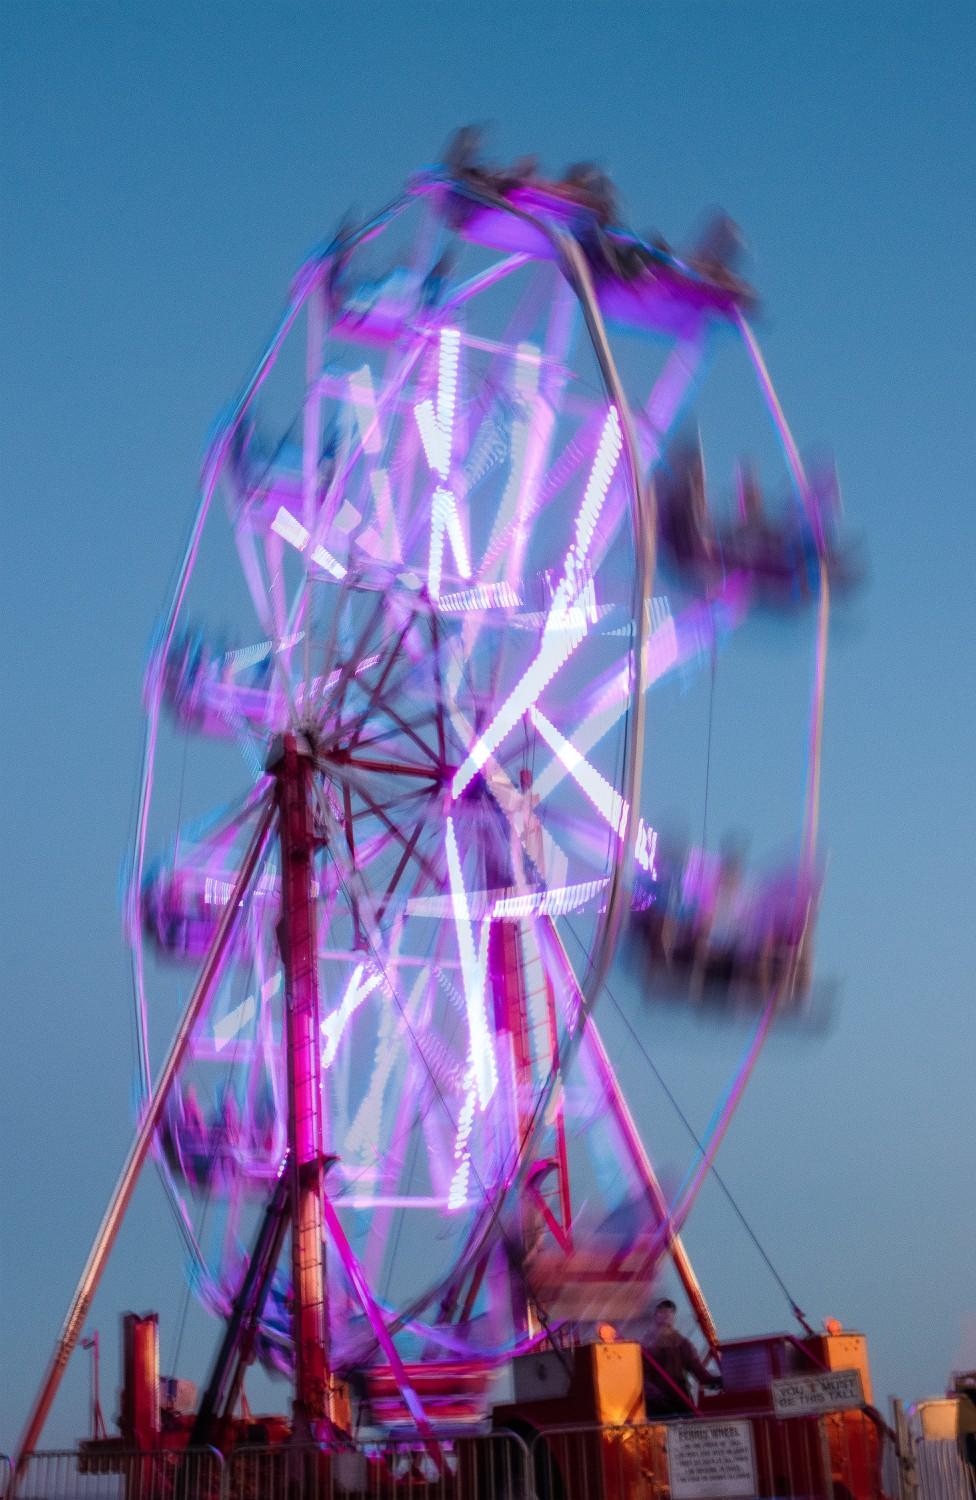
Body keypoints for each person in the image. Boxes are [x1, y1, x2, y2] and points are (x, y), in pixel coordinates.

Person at [643, 1299, 722, 1416]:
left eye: (670, 1311)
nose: (666, 1314)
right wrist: (654, 1394)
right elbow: (639, 1378)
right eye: (662, 1310)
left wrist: (722, 1381)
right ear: (654, 1316)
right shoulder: (642, 1346)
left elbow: (701, 1374)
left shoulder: (683, 1344)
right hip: (654, 1408)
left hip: (680, 1403)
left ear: (673, 1316)